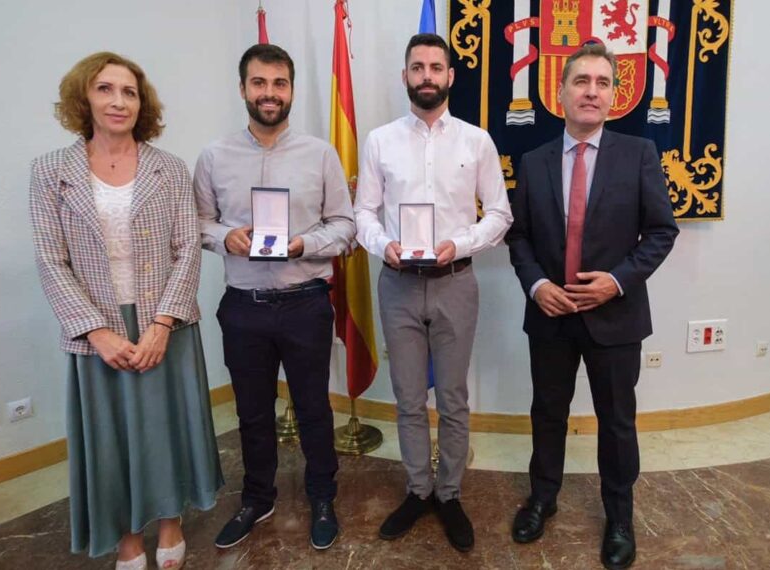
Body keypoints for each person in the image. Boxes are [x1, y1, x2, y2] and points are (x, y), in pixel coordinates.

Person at [29, 52, 224, 570]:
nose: (118, 101)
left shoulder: (169, 168)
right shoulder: (51, 171)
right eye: (105, 89)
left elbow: (186, 249)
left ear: (143, 103)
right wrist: (97, 332)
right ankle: (126, 538)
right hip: (97, 330)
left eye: (130, 92)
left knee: (167, 430)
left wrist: (162, 324)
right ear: (84, 97)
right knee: (110, 439)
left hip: (165, 322)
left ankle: (169, 522)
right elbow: (51, 259)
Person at [505, 42, 679, 569]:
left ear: (614, 97)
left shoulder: (639, 153)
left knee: (618, 421)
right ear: (561, 92)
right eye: (582, 81)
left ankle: (620, 518)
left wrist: (617, 282)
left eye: (603, 83)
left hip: (616, 317)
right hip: (551, 315)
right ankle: (542, 499)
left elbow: (661, 231)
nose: (592, 91)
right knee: (547, 413)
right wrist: (537, 286)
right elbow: (519, 239)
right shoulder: (533, 162)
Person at [354, 33, 513, 552]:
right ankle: (417, 489)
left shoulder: (477, 140)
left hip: (454, 283)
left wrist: (458, 243)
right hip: (398, 283)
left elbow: (500, 214)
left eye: (436, 67)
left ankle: (448, 494)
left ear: (450, 76)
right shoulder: (380, 140)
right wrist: (384, 246)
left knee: (452, 398)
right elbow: (363, 214)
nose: (427, 76)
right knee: (405, 398)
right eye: (417, 67)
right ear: (405, 77)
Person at [194, 43, 355, 551]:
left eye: (279, 84)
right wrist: (226, 237)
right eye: (259, 83)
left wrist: (306, 242)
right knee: (253, 412)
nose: (270, 93)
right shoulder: (214, 157)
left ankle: (322, 496)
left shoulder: (320, 154)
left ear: (291, 91)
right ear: (242, 88)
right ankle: (256, 497)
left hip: (305, 300)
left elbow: (346, 226)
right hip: (244, 306)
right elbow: (197, 223)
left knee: (313, 409)